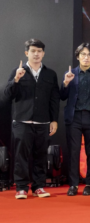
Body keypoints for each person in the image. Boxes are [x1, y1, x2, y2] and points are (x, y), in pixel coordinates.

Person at [5, 39, 59, 199]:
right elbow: (7, 95)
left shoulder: (50, 74)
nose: (36, 54)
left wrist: (54, 120)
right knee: (20, 156)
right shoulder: (18, 71)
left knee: (41, 156)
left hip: (43, 122)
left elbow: (54, 99)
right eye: (33, 51)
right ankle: (21, 187)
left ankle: (38, 186)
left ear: (43, 53)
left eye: (39, 51)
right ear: (26, 53)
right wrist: (16, 79)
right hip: (22, 122)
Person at [60, 43, 90, 196]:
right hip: (74, 117)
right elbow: (62, 96)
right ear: (77, 56)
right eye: (83, 54)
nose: (86, 57)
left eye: (89, 55)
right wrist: (65, 83)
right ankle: (73, 184)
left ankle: (89, 184)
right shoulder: (70, 73)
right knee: (73, 152)